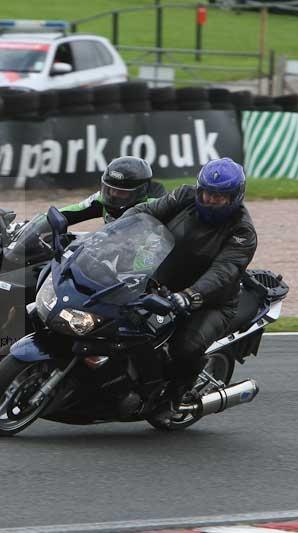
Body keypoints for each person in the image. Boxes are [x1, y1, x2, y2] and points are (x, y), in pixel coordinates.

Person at [120, 157, 257, 406]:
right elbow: (145, 212)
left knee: (185, 348)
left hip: (209, 302)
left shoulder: (242, 232)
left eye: (219, 196)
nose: (209, 200)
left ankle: (173, 399)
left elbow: (223, 271)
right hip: (158, 284)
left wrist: (189, 295)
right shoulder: (185, 196)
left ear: (235, 197)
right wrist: (118, 232)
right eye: (206, 193)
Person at [60, 156, 166, 226]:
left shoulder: (156, 206)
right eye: (110, 189)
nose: (114, 195)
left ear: (139, 192)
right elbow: (68, 212)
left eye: (121, 192)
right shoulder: (100, 199)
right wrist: (46, 221)